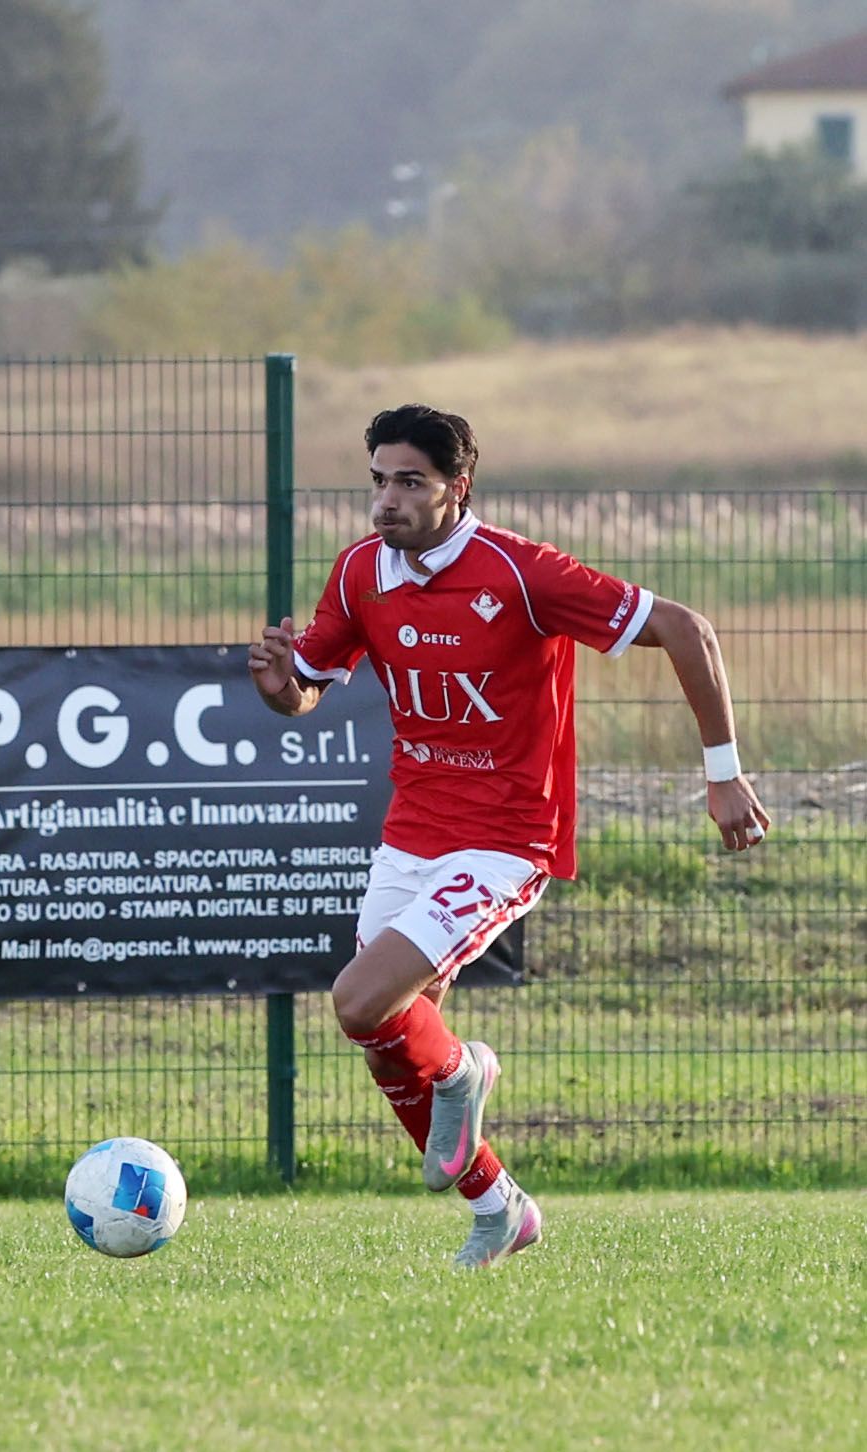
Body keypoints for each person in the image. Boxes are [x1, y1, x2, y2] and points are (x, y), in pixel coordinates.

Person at [247, 403, 770, 1270]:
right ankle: (499, 1211)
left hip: (506, 839)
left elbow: (689, 629)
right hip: (412, 833)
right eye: (378, 480)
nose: (386, 500)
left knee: (359, 1001)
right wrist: (279, 688)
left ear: (458, 487)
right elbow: (305, 689)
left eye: (409, 481)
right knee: (391, 1034)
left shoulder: (521, 573)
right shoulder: (360, 572)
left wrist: (723, 774)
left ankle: (466, 1074)